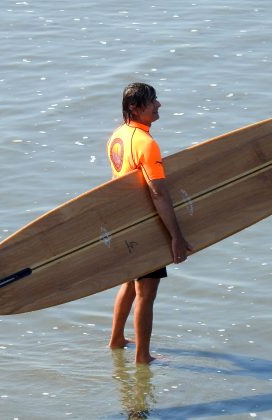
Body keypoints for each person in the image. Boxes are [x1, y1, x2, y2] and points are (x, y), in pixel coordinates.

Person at [107, 82, 192, 364]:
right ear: (135, 107)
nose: (158, 105)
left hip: (125, 221)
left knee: (130, 284)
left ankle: (117, 339)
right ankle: (143, 357)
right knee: (147, 291)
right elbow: (158, 194)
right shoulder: (147, 144)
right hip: (145, 225)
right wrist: (176, 236)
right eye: (152, 101)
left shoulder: (118, 136)